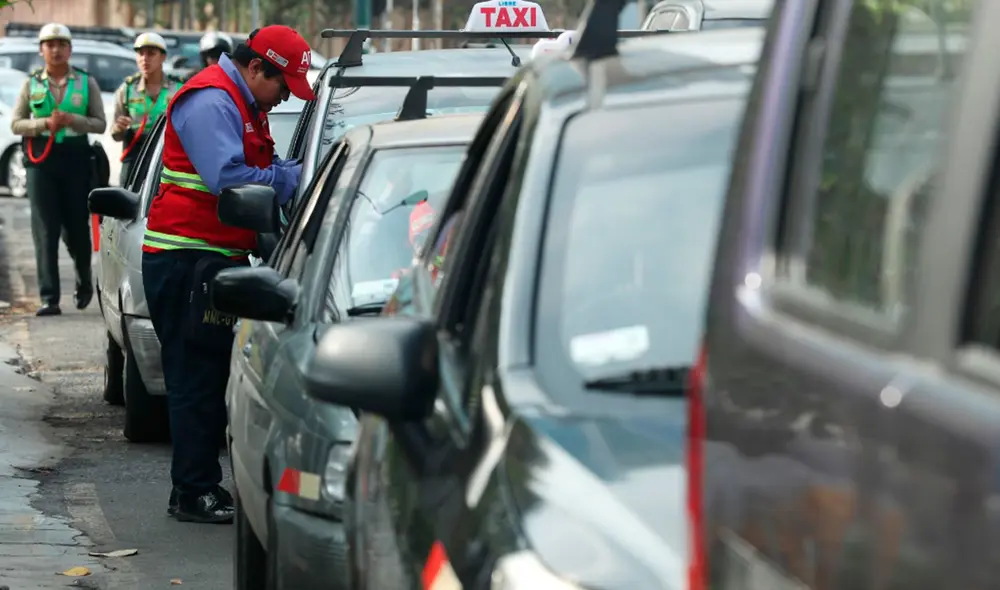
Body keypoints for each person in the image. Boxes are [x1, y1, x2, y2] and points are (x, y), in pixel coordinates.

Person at [141, 25, 312, 524]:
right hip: (186, 258)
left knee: (209, 375)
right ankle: (194, 491)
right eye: (283, 87)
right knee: (196, 378)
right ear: (257, 68)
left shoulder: (244, 105)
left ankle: (196, 487)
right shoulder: (213, 102)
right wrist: (294, 177)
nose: (284, 99)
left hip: (210, 257)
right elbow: (230, 181)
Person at [9, 23, 106, 317]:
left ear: (70, 49)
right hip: (42, 160)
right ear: (41, 50)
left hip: (76, 158)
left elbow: (99, 123)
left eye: (62, 44)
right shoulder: (31, 84)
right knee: (45, 229)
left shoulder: (86, 82)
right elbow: (16, 123)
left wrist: (73, 120)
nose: (56, 50)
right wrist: (42, 124)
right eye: (50, 45)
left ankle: (84, 281)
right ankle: (49, 296)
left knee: (76, 228)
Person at [111, 32, 184, 186]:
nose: (145, 59)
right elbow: (115, 134)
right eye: (140, 53)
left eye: (151, 53)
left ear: (163, 57)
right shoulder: (128, 89)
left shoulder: (178, 88)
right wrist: (119, 128)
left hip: (166, 156)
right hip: (134, 155)